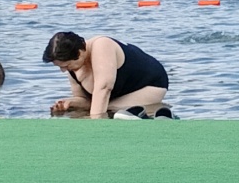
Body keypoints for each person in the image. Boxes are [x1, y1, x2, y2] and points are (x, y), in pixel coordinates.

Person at [42, 28, 170, 118]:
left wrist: (95, 125)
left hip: (149, 85)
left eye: (66, 65)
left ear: (80, 53)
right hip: (117, 94)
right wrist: (70, 103)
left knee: (108, 111)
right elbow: (85, 100)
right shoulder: (73, 68)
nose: (64, 70)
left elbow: (104, 89)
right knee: (84, 112)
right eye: (60, 67)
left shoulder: (101, 45)